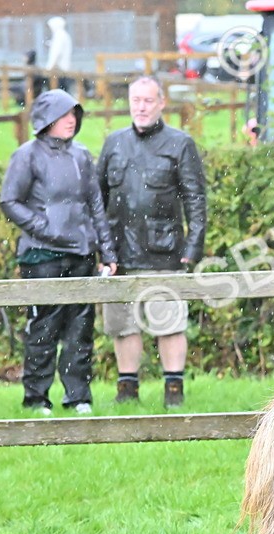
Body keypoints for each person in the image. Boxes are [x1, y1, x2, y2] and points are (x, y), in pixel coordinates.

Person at [0, 89, 116, 414]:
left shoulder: (81, 155)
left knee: (80, 329)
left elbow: (95, 206)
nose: (71, 120)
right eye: (64, 114)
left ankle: (78, 396)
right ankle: (36, 398)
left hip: (81, 253)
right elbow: (9, 201)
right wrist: (44, 227)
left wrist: (108, 253)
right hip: (41, 255)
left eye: (74, 114)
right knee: (44, 328)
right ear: (46, 119)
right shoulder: (27, 155)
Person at [98, 76, 207, 407]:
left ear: (161, 103)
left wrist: (192, 249)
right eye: (135, 101)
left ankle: (174, 389)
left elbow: (196, 200)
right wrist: (102, 250)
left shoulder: (180, 143)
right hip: (119, 251)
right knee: (122, 324)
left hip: (167, 250)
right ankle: (127, 388)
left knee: (169, 322)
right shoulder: (113, 143)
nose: (141, 107)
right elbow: (97, 200)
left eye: (148, 100)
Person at [45, 16, 73, 95]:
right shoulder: (63, 35)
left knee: (60, 90)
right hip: (63, 68)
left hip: (60, 69)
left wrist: (49, 67)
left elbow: (56, 53)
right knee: (63, 91)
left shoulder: (59, 35)